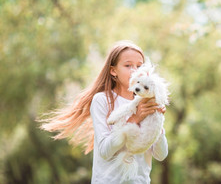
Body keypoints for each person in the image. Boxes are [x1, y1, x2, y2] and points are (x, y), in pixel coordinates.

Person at [40, 41, 168, 184]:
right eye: (128, 65)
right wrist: (135, 118)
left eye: (139, 66)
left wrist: (158, 124)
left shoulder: (148, 101)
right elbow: (105, 151)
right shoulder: (102, 100)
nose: (135, 71)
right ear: (113, 70)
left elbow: (161, 155)